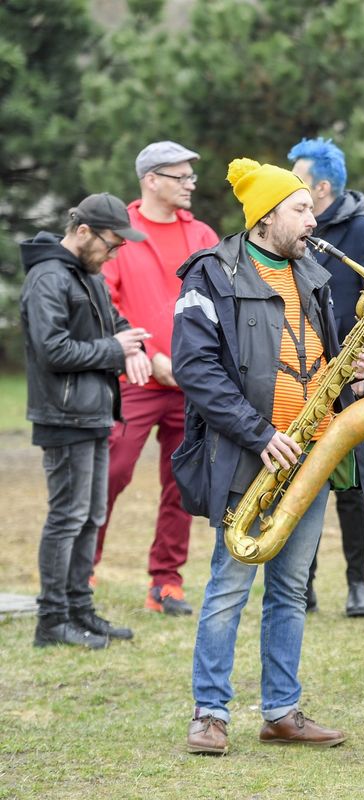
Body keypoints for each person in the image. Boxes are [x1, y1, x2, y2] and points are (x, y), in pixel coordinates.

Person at [175, 157, 364, 755]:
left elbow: (323, 356)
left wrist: (356, 379)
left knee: (290, 591)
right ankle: (210, 712)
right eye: (300, 210)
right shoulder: (209, 275)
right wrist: (259, 435)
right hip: (248, 456)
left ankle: (281, 710)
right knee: (229, 586)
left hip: (310, 451)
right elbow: (195, 368)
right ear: (266, 217)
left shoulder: (311, 271)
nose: (313, 220)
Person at [92, 141, 218, 617]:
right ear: (151, 180)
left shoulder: (203, 234)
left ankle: (165, 583)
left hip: (190, 386)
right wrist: (145, 352)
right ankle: (81, 567)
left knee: (182, 483)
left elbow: (218, 301)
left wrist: (195, 361)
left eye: (191, 177)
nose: (190, 184)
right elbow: (106, 301)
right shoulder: (119, 234)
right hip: (137, 379)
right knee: (112, 471)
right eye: (181, 176)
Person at [20, 193, 150, 649]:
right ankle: (51, 621)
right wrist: (117, 351)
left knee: (91, 515)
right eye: (111, 244)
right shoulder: (48, 279)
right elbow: (53, 350)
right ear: (82, 232)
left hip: (93, 413)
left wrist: (136, 345)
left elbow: (116, 323)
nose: (115, 253)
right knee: (67, 517)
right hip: (63, 416)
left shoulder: (88, 276)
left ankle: (80, 609)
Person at [288, 136, 364, 618]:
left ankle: (357, 585)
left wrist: (353, 357)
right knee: (299, 480)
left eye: (298, 178)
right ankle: (301, 584)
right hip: (297, 375)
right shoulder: (289, 229)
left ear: (323, 187)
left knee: (350, 489)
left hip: (349, 375)